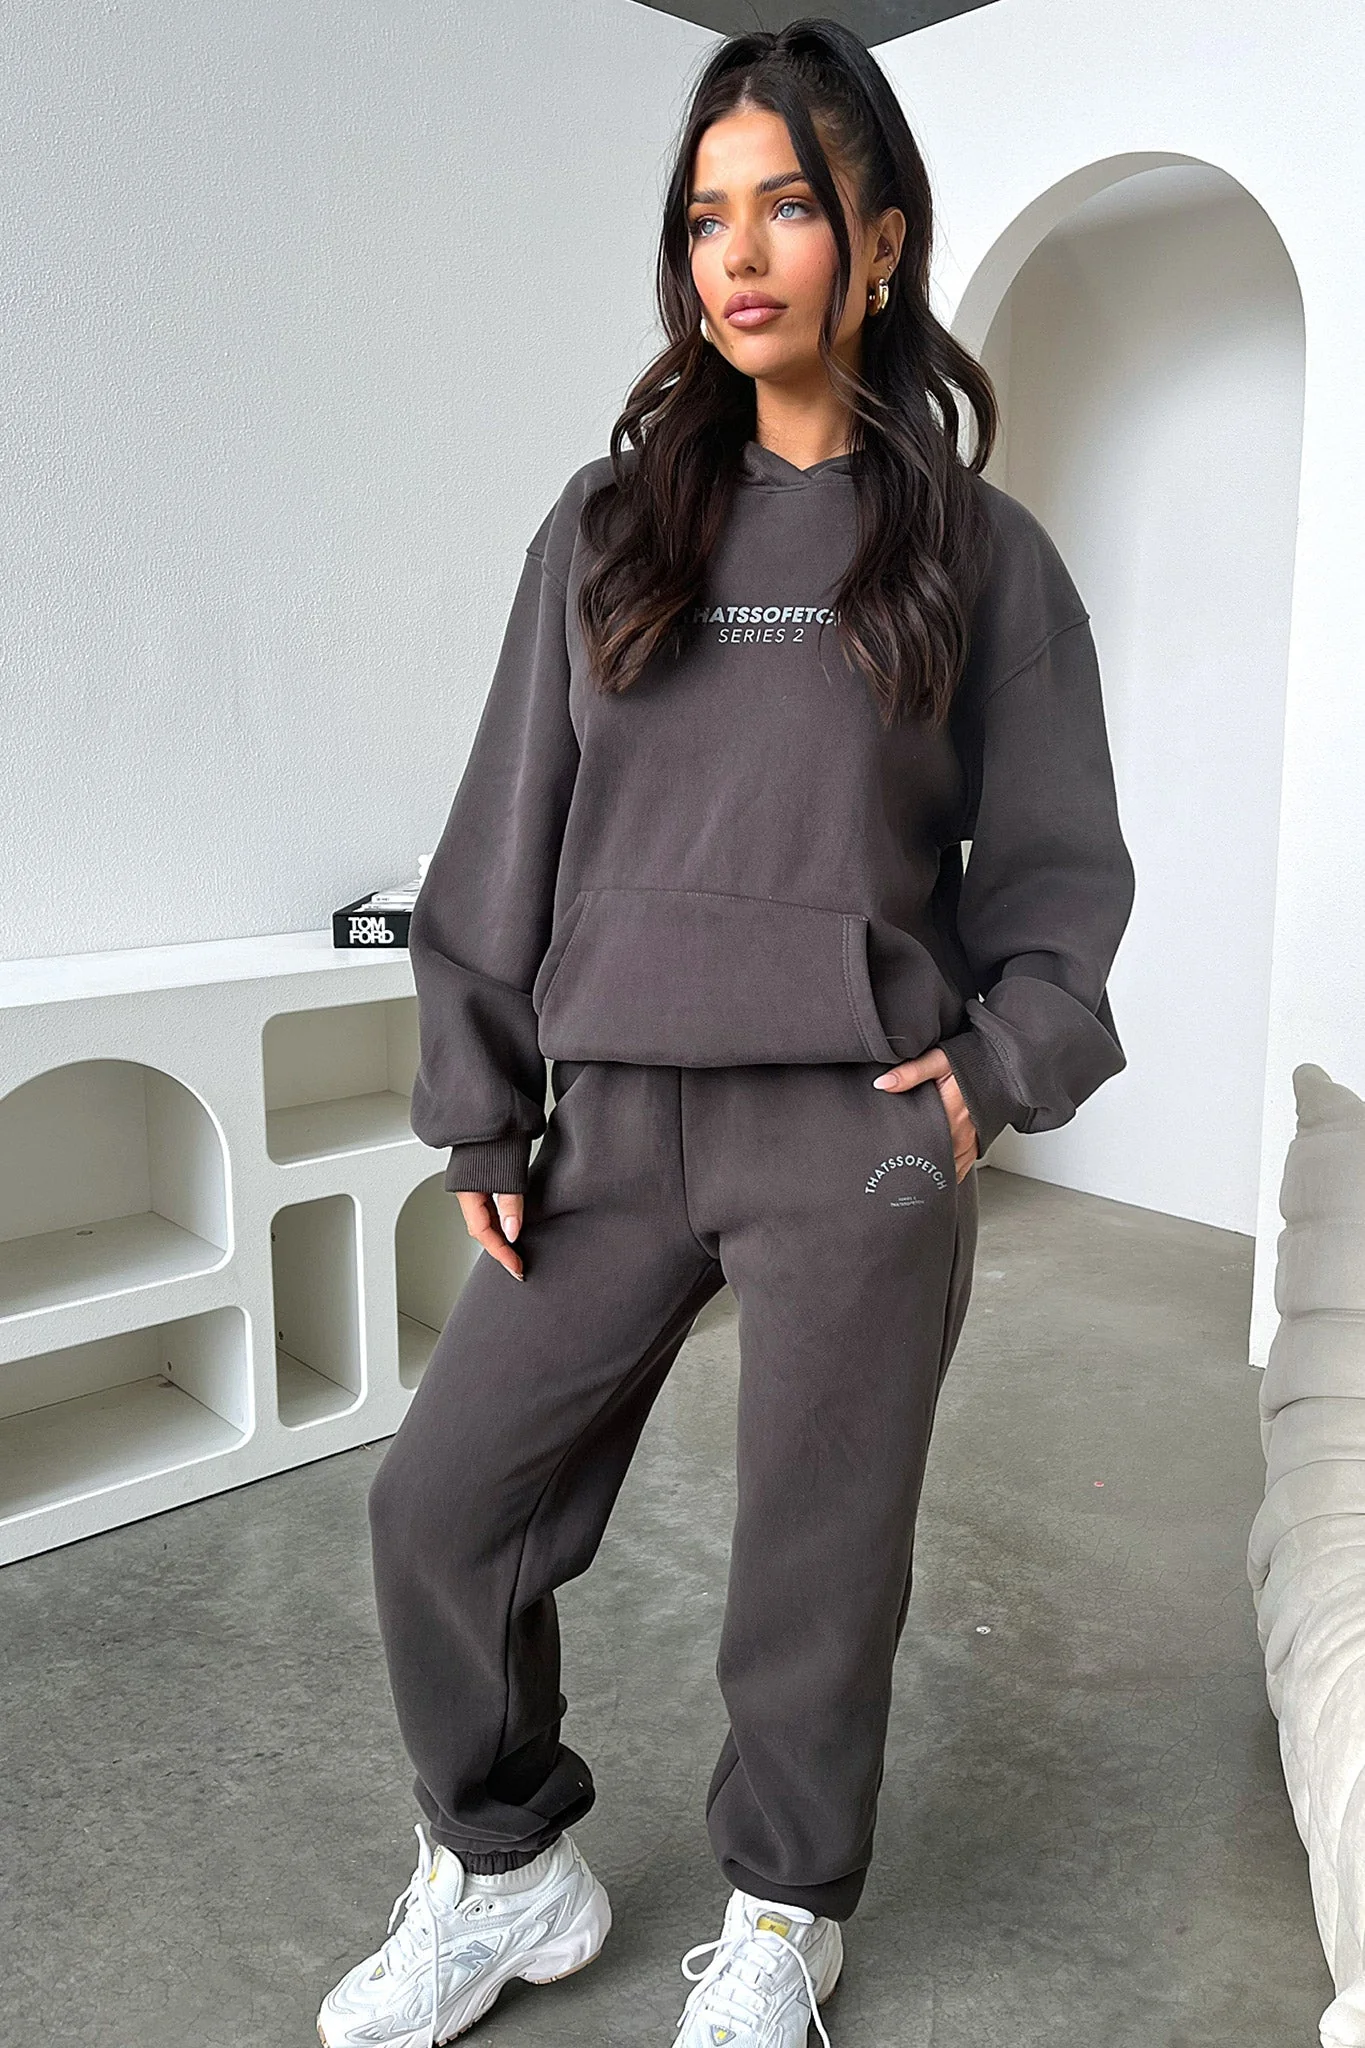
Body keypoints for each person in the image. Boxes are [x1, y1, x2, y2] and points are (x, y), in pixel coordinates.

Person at [316, 17, 1136, 2048]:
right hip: (613, 1119)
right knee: (440, 1509)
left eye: (787, 206)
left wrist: (991, 1081)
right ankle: (508, 1866)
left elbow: (1057, 877)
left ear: (879, 240)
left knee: (813, 1565)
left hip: (855, 1133)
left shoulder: (978, 554)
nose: (739, 254)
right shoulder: (607, 527)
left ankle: (783, 1911)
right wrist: (483, 1108)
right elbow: (504, 826)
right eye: (705, 215)